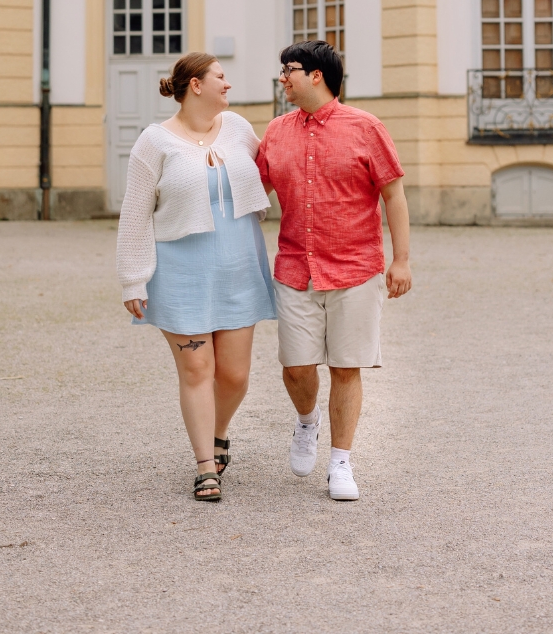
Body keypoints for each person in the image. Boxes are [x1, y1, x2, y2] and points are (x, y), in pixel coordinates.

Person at [256, 39, 412, 501]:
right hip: (294, 269)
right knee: (296, 365)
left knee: (347, 368)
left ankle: (341, 462)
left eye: (290, 69)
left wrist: (401, 260)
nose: (283, 77)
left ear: (317, 76)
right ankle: (307, 422)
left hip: (356, 269)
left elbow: (394, 196)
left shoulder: (366, 128)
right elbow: (250, 191)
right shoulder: (276, 131)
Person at [116, 52, 275, 503]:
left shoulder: (241, 129)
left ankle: (219, 433)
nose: (229, 85)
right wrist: (133, 279)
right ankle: (206, 464)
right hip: (181, 274)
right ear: (196, 86)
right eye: (221, 77)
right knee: (197, 368)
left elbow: (265, 176)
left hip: (239, 267)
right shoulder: (154, 142)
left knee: (236, 375)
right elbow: (134, 215)